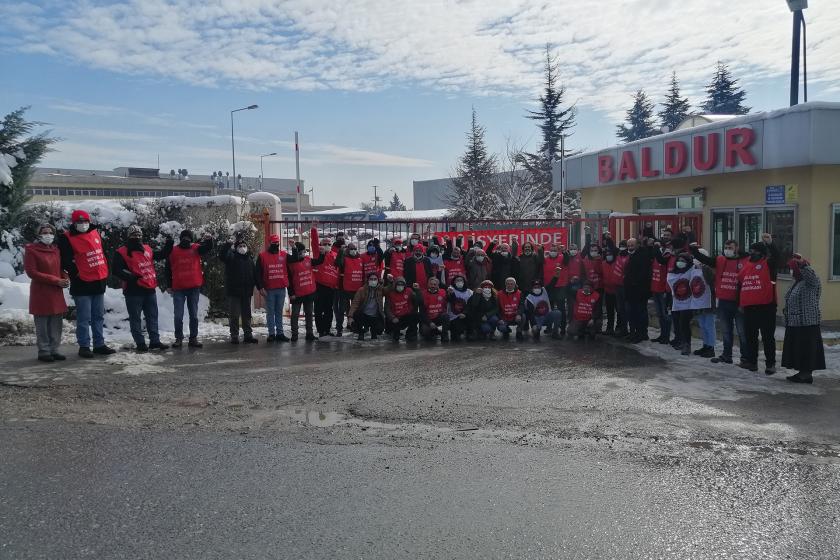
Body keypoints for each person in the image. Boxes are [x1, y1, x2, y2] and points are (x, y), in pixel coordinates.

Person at [58, 210, 116, 358]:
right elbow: (65, 260)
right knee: (84, 318)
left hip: (98, 281)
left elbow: (102, 253)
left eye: (85, 221)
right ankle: (84, 346)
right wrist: (76, 273)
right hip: (82, 283)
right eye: (79, 222)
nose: (83, 224)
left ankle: (99, 344)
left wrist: (105, 271)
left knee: (98, 316)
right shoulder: (66, 238)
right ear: (74, 223)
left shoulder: (95, 233)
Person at [690, 239, 750, 365]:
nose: (728, 249)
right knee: (726, 331)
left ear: (737, 248)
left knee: (742, 332)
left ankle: (746, 358)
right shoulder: (720, 260)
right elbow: (706, 260)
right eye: (726, 246)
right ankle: (726, 355)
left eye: (730, 247)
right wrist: (694, 251)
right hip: (723, 301)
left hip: (740, 302)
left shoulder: (746, 260)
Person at [113, 225, 169, 352]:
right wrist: (130, 277)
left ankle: (155, 341)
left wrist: (169, 244)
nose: (136, 237)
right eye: (134, 235)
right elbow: (116, 270)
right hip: (133, 291)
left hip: (149, 288)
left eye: (139, 235)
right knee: (135, 318)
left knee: (152, 316)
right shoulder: (121, 251)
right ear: (129, 236)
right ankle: (140, 343)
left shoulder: (147, 248)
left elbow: (160, 255)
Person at [24, 224, 69, 362]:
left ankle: (54, 349)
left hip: (56, 290)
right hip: (41, 291)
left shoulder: (55, 250)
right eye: (44, 232)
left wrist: (65, 277)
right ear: (39, 235)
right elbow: (32, 272)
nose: (48, 234)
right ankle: (44, 350)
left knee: (56, 323)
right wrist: (56, 280)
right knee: (42, 324)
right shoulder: (31, 250)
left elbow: (60, 267)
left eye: (50, 232)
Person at [164, 229, 213, 348]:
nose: (186, 240)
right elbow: (167, 269)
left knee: (194, 315)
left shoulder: (195, 248)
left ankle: (193, 338)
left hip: (193, 288)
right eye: (184, 237)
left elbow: (207, 248)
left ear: (191, 239)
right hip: (178, 288)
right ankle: (179, 338)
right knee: (178, 315)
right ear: (181, 238)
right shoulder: (173, 251)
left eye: (188, 238)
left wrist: (209, 240)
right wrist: (169, 285)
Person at [781, 255, 825, 384]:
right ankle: (802, 372)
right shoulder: (797, 282)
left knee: (806, 349)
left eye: (792, 268)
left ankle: (806, 374)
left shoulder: (811, 282)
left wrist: (803, 265)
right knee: (798, 349)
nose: (791, 271)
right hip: (795, 323)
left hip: (807, 323)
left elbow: (812, 277)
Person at [737, 242, 777, 374]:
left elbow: (777, 258)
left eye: (754, 251)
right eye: (751, 250)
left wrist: (770, 244)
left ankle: (770, 364)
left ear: (761, 253)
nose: (751, 253)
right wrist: (740, 302)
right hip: (749, 308)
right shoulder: (746, 265)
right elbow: (740, 284)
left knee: (767, 337)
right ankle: (752, 362)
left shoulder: (768, 264)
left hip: (766, 307)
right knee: (751, 337)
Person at [286, 229, 324, 342]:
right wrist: (291, 293)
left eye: (304, 251)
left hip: (309, 292)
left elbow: (318, 262)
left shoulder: (308, 259)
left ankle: (309, 333)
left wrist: (322, 253)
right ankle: (295, 334)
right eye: (301, 251)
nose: (304, 253)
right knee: (295, 315)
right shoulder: (291, 263)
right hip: (297, 294)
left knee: (308, 314)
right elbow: (289, 280)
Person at [219, 236, 258, 344]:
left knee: (247, 315)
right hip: (234, 292)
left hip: (246, 292)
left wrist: (258, 286)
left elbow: (254, 274)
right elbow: (222, 256)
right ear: (236, 248)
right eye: (240, 246)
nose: (242, 248)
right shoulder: (231, 257)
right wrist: (227, 245)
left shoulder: (249, 259)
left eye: (244, 246)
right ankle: (234, 336)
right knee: (234, 315)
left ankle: (248, 335)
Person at [255, 234, 290, 342]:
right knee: (270, 312)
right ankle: (271, 333)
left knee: (279, 312)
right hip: (269, 289)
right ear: (269, 243)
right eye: (274, 243)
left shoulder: (284, 255)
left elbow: (294, 261)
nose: (276, 244)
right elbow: (257, 273)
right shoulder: (262, 256)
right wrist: (260, 287)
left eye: (277, 242)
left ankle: (280, 333)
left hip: (281, 288)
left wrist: (294, 247)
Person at [623, 237, 653, 343]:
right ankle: (633, 332)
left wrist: (634, 282)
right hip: (630, 290)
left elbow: (643, 273)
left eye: (632, 245)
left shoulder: (642, 256)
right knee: (631, 312)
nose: (630, 247)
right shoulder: (629, 256)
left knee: (640, 313)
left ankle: (641, 333)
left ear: (637, 245)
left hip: (640, 290)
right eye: (629, 245)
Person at [666, 252, 696, 356]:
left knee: (684, 323)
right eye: (679, 260)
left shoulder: (692, 272)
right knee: (677, 322)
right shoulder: (674, 272)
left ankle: (687, 344)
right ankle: (679, 340)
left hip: (688, 303)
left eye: (683, 261)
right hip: (677, 302)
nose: (680, 263)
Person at [335, 242, 365, 336]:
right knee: (342, 310)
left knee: (356, 310)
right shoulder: (344, 259)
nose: (353, 251)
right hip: (345, 289)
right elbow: (337, 263)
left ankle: (355, 326)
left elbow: (363, 273)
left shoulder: (360, 259)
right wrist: (340, 251)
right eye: (351, 249)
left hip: (357, 289)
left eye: (354, 249)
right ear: (348, 250)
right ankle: (339, 328)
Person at [314, 237, 341, 337]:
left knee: (329, 310)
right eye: (325, 244)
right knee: (318, 309)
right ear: (321, 245)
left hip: (331, 287)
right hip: (319, 286)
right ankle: (321, 331)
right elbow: (314, 241)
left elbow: (338, 270)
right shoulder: (318, 253)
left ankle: (327, 329)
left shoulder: (335, 255)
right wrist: (313, 229)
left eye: (329, 244)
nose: (327, 246)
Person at [541, 243, 569, 336]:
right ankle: (549, 327)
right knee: (550, 308)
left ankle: (563, 328)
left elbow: (567, 260)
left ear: (558, 251)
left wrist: (564, 251)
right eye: (552, 250)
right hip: (549, 287)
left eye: (555, 250)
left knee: (561, 309)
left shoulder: (562, 258)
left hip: (560, 286)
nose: (553, 252)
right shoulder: (545, 259)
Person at [348, 272, 385, 340]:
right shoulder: (361, 290)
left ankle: (373, 332)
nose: (373, 281)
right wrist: (350, 316)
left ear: (378, 280)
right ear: (367, 280)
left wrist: (391, 282)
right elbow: (354, 304)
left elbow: (390, 290)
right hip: (364, 316)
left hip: (375, 317)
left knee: (379, 331)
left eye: (375, 279)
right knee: (357, 314)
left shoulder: (381, 290)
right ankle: (361, 332)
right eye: (371, 279)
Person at [602, 245, 629, 336]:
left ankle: (619, 327)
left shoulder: (617, 261)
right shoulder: (603, 263)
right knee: (610, 311)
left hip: (617, 290)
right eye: (607, 254)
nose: (608, 255)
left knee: (619, 310)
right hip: (607, 290)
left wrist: (609, 241)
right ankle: (609, 328)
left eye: (610, 254)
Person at [384, 276, 420, 342]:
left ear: (404, 285)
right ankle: (393, 334)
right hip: (395, 318)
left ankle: (410, 334)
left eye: (402, 284)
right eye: (398, 284)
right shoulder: (390, 294)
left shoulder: (409, 291)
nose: (400, 286)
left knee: (416, 315)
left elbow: (417, 299)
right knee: (395, 338)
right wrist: (392, 318)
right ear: (395, 285)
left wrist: (417, 290)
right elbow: (387, 309)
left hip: (405, 316)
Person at [419, 276, 449, 341]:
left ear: (438, 285)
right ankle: (435, 331)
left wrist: (451, 294)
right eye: (431, 284)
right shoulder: (422, 294)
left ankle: (444, 336)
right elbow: (422, 312)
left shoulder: (443, 292)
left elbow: (451, 300)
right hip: (428, 318)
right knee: (425, 333)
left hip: (439, 317)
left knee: (446, 316)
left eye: (435, 284)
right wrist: (429, 323)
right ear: (428, 284)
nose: (433, 286)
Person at [446, 274, 472, 341]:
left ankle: (470, 333)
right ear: (454, 282)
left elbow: (471, 305)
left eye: (461, 280)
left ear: (464, 281)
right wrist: (450, 294)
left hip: (466, 314)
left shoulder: (469, 291)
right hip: (454, 316)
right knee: (456, 338)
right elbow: (450, 300)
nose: (459, 282)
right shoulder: (451, 290)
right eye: (457, 280)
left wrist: (464, 313)